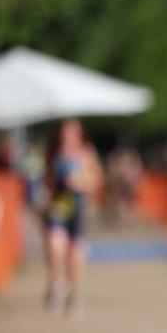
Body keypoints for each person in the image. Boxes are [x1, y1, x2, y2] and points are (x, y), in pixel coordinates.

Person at [44, 119, 102, 318]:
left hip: (77, 205)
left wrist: (81, 185)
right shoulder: (54, 153)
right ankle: (56, 282)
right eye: (64, 133)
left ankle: (73, 296)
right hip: (60, 204)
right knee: (55, 242)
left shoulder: (86, 154)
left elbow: (95, 180)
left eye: (71, 133)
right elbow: (48, 180)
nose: (67, 137)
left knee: (75, 251)